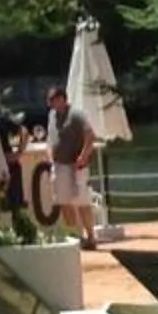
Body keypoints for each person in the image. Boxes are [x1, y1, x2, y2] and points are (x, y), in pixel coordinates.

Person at [43, 86, 97, 232]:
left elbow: (90, 135)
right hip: (59, 164)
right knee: (64, 201)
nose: (49, 104)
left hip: (76, 165)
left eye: (52, 100)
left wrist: (83, 156)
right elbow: (51, 137)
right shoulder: (52, 115)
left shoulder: (76, 115)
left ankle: (91, 235)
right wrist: (50, 157)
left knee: (82, 202)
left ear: (62, 99)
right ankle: (75, 235)